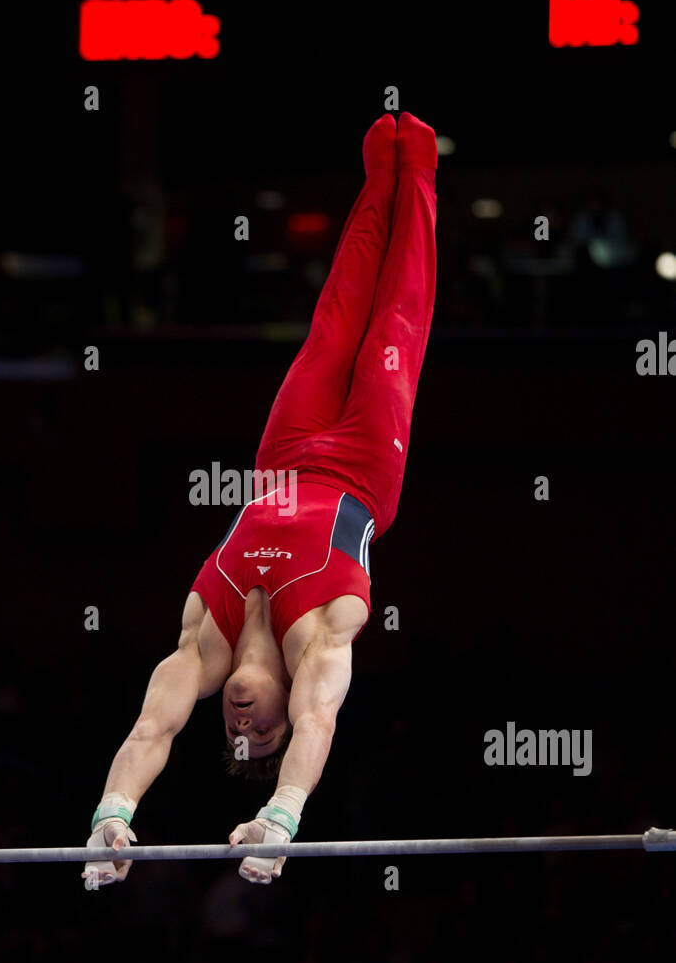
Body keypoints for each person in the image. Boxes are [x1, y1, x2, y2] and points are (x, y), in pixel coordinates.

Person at [85, 111, 438, 887]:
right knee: (395, 318)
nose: (245, 724)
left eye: (232, 730)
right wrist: (281, 818)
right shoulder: (322, 640)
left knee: (336, 311)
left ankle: (377, 169)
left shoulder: (200, 642)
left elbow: (151, 729)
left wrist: (113, 813)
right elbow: (320, 720)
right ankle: (416, 170)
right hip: (362, 472)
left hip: (282, 456)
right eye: (261, 731)